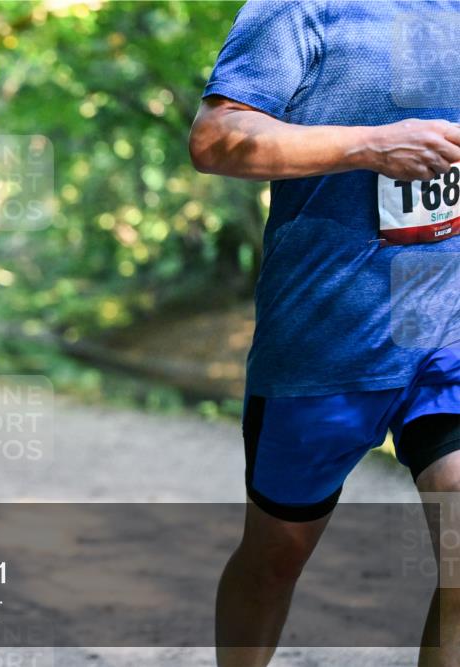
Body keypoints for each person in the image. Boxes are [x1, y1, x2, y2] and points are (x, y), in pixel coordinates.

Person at [189, 2, 459, 666]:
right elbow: (215, 137)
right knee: (277, 553)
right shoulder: (303, 6)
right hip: (326, 340)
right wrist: (371, 144)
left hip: (446, 333)